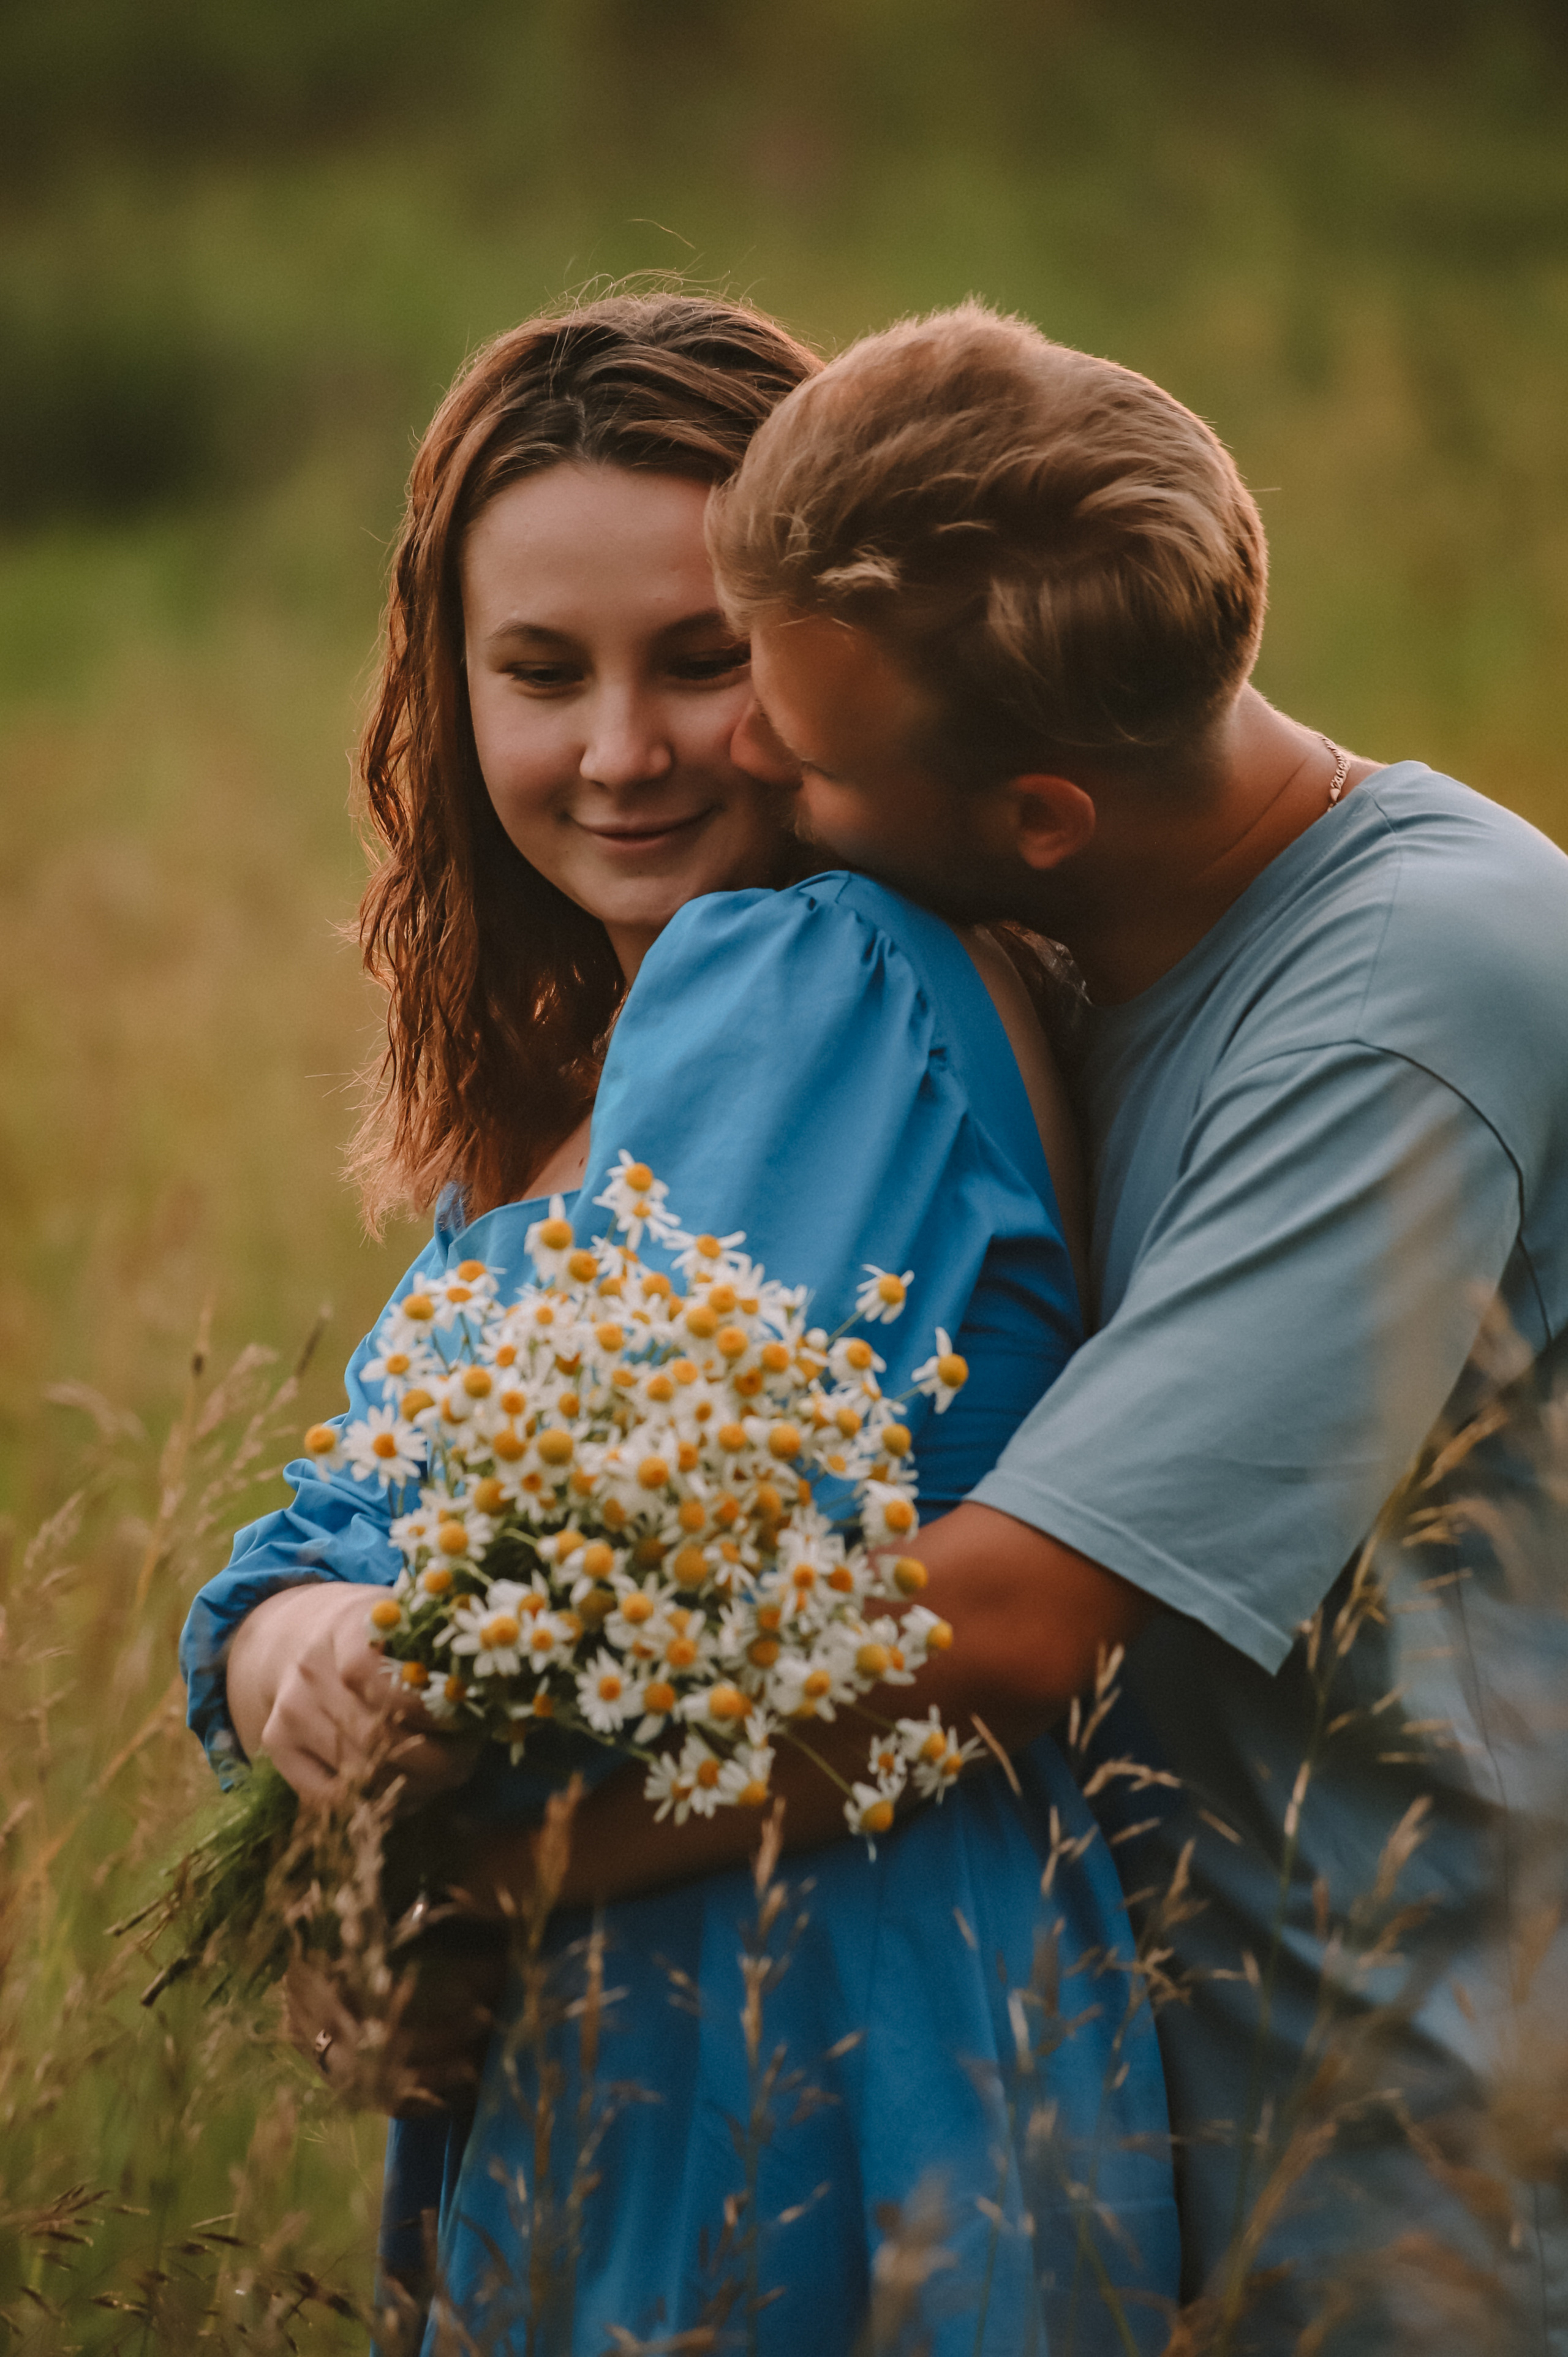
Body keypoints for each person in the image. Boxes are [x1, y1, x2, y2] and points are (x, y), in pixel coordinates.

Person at [179, 293, 1179, 2356]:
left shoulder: (806, 973)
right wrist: (285, 1653)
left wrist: (401, 1844)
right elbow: (369, 1541)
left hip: (815, 1998)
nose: (621, 750)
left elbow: (629, 1599)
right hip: (633, 2005)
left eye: (704, 663)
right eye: (541, 673)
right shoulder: (551, 1110)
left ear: (833, 656)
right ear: (445, 692)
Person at [681, 303, 1568, 2351]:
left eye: (800, 751)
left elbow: (1021, 1615)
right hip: (1110, 2135)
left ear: (1044, 817)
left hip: (1411, 2179)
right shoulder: (1066, 944)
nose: (736, 752)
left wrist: (501, 1834)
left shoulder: (1424, 992)